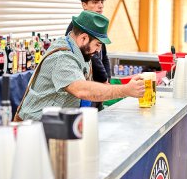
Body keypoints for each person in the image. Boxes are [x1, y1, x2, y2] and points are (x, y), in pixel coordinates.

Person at [16, 11, 144, 121]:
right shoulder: (62, 57)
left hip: (58, 124)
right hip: (35, 128)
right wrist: (125, 90)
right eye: (98, 44)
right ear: (83, 38)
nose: (99, 50)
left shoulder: (81, 51)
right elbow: (82, 90)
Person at [66, 0, 111, 110]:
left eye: (102, 2)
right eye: (95, 2)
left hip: (99, 84)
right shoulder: (77, 26)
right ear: (84, 5)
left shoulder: (97, 26)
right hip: (86, 86)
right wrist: (104, 79)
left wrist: (108, 78)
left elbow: (104, 55)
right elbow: (93, 56)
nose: (100, 6)